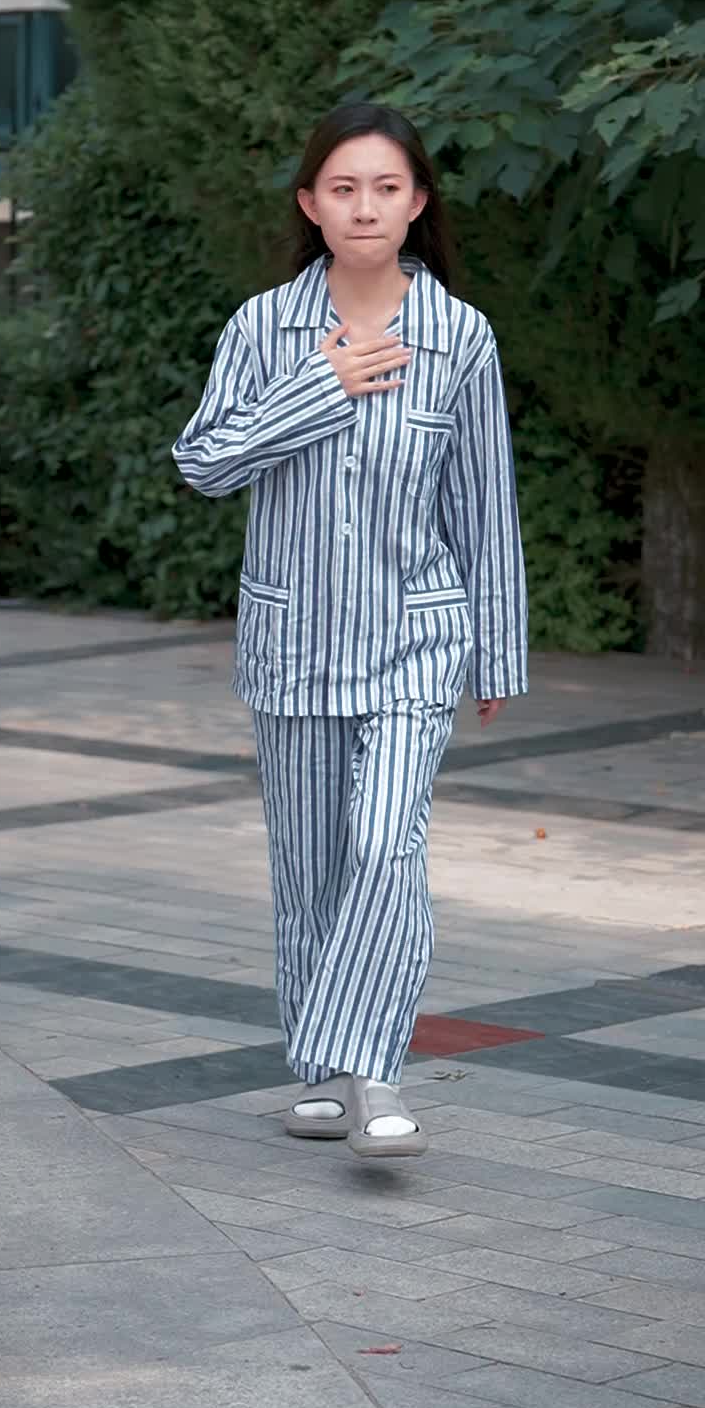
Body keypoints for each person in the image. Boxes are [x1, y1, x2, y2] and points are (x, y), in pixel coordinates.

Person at [172, 100, 527, 1161]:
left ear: (417, 204)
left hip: (416, 639)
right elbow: (203, 462)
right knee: (311, 874)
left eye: (386, 188)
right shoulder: (261, 329)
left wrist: (496, 649)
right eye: (343, 188)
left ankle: (373, 1076)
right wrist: (317, 388)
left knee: (384, 846)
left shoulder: (460, 337)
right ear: (310, 204)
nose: (365, 207)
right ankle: (325, 1075)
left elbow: (484, 505)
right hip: (292, 646)